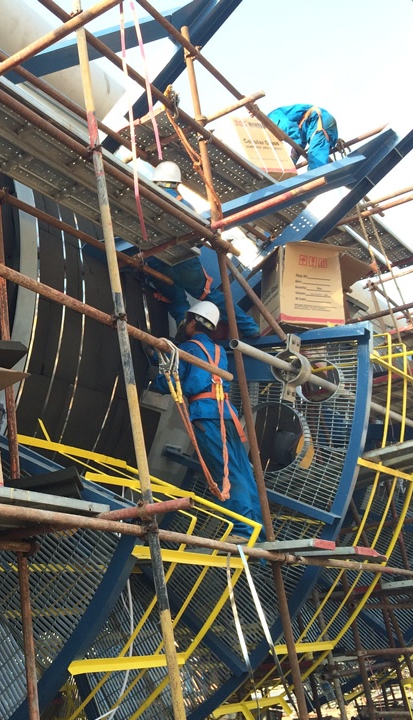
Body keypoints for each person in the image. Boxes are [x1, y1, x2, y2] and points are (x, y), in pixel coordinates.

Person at [148, 300, 263, 542]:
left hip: (206, 415)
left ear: (192, 323)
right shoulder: (219, 351)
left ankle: (242, 531)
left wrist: (153, 382)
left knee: (225, 473)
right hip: (227, 414)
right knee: (242, 471)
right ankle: (257, 533)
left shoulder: (187, 348)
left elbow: (174, 380)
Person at [145, 161, 260, 337]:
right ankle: (249, 327)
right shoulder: (185, 205)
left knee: (175, 297)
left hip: (156, 260)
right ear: (176, 184)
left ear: (155, 181)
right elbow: (198, 239)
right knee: (209, 295)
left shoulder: (144, 201)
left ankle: (183, 327)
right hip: (184, 261)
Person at [267, 104, 339, 171]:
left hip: (318, 121)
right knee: (319, 155)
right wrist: (293, 160)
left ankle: (318, 178)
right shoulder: (279, 116)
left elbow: (294, 133)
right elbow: (300, 140)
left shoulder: (272, 119)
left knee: (315, 158)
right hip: (323, 121)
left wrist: (292, 160)